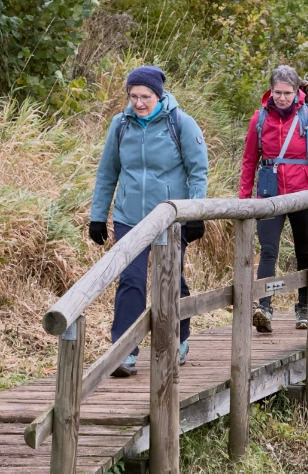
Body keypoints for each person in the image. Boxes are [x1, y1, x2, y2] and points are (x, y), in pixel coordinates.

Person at [89, 66, 208, 376]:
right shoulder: (120, 125)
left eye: (145, 96)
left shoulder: (179, 123)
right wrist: (98, 217)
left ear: (159, 94)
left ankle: (179, 338)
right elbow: (107, 173)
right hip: (129, 216)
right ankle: (125, 351)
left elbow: (198, 171)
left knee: (170, 278)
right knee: (130, 279)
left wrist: (194, 213)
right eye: (133, 96)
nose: (138, 103)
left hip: (169, 217)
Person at [239, 65, 308, 332]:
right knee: (268, 250)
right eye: (277, 92)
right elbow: (249, 161)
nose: (281, 98)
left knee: (305, 251)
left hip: (303, 194)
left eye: (287, 93)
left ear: (296, 92)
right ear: (271, 91)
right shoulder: (259, 119)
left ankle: (304, 307)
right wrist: (244, 200)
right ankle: (263, 306)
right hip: (269, 194)